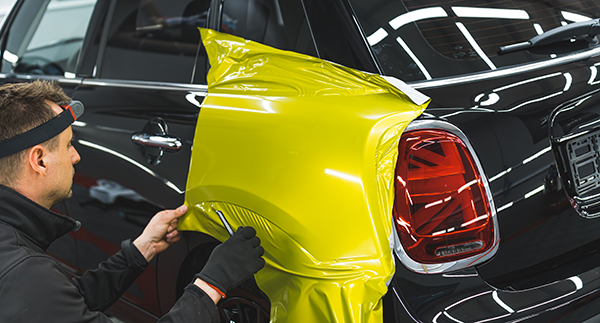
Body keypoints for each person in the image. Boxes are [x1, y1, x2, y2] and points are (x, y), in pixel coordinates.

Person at [0, 80, 265, 322]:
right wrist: (212, 284)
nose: (76, 156)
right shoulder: (26, 276)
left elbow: (64, 305)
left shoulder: (18, 264)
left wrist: (141, 250)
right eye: (68, 144)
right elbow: (45, 297)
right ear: (40, 160)